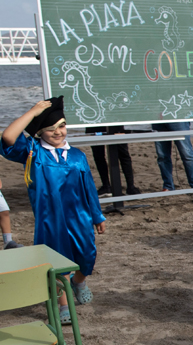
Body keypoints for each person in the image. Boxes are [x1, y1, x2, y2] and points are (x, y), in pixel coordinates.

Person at [1, 96, 106, 323]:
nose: (58, 132)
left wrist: (97, 215)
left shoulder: (78, 156)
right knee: (57, 263)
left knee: (88, 257)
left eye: (62, 126)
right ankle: (63, 307)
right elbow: (8, 138)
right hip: (51, 219)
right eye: (50, 129)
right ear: (39, 133)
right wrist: (33, 111)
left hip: (80, 217)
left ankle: (79, 282)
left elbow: (89, 188)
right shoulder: (33, 153)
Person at [85, 126, 140, 197]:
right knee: (99, 155)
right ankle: (106, 186)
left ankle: (130, 186)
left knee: (123, 153)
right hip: (97, 125)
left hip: (115, 124)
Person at [154, 122, 193, 191]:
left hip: (178, 119)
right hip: (157, 118)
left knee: (186, 154)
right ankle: (168, 186)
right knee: (162, 156)